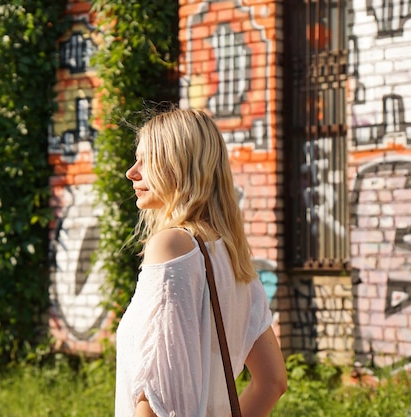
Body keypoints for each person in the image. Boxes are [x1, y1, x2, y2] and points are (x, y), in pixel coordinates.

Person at [115, 108, 287, 417]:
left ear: (178, 164)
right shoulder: (232, 255)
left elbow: (154, 396)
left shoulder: (172, 246)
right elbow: (272, 381)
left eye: (145, 159)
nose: (132, 172)